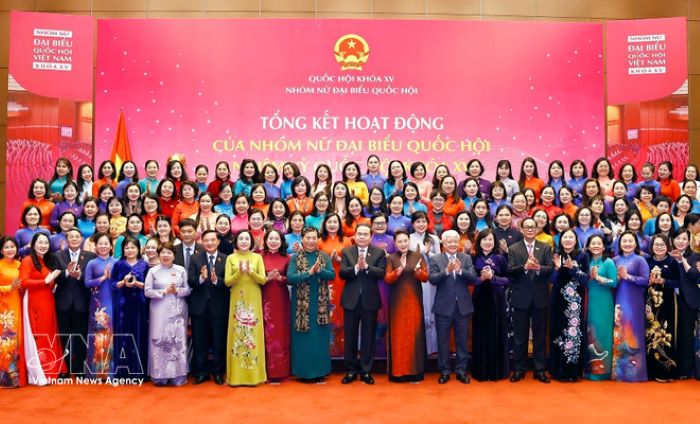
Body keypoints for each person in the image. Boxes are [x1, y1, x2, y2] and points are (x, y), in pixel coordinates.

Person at [339, 223, 387, 385]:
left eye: (365, 234)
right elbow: (342, 273)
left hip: (370, 300)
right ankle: (351, 370)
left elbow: (381, 273)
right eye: (359, 234)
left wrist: (366, 267)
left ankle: (366, 370)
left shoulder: (379, 252)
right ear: (355, 235)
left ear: (370, 236)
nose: (362, 237)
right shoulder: (347, 251)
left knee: (368, 337)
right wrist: (355, 268)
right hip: (350, 300)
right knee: (350, 337)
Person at [508, 217, 554, 383]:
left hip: (540, 297)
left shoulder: (545, 247)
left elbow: (550, 268)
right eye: (526, 227)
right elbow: (510, 270)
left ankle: (539, 370)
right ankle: (519, 369)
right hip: (521, 297)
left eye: (532, 227)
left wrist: (539, 268)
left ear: (537, 229)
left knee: (540, 336)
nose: (529, 229)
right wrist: (524, 267)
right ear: (521, 229)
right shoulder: (514, 248)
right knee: (520, 336)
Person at [429, 229, 477, 384]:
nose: (452, 244)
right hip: (443, 307)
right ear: (443, 243)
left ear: (458, 242)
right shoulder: (436, 259)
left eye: (455, 241)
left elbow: (473, 278)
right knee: (443, 341)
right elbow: (432, 279)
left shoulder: (466, 258)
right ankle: (444, 371)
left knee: (462, 341)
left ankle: (461, 371)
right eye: (449, 241)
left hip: (462, 307)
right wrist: (447, 271)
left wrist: (460, 271)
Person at [288, 227, 336, 382]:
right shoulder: (295, 257)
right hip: (300, 305)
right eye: (308, 238)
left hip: (320, 303)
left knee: (319, 338)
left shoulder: (324, 256)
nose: (311, 241)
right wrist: (308, 273)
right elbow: (290, 278)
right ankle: (303, 372)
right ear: (302, 239)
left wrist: (319, 271)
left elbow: (332, 275)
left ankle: (320, 371)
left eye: (314, 238)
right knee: (303, 338)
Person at [19, 233, 67, 384]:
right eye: (40, 242)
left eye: (46, 243)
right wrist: (45, 281)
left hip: (48, 300)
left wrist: (52, 281)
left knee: (51, 333)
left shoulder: (48, 261)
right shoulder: (27, 260)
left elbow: (50, 284)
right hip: (35, 301)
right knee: (39, 333)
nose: (43, 245)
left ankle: (54, 369)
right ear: (33, 245)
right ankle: (43, 372)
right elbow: (24, 281)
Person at [145, 241, 191, 386]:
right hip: (158, 309)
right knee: (159, 339)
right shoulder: (153, 271)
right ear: (158, 255)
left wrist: (177, 291)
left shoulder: (181, 270)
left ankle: (178, 376)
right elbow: (147, 291)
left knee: (177, 341)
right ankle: (160, 376)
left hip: (178, 310)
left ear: (174, 255)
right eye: (163, 252)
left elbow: (188, 290)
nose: (166, 255)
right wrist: (163, 292)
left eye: (169, 252)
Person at [224, 229, 267, 386]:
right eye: (241, 238)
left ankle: (255, 376)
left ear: (251, 241)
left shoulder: (257, 257)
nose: (244, 241)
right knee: (238, 334)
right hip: (237, 298)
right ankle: (236, 377)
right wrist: (239, 273)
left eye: (246, 239)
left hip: (253, 297)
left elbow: (263, 280)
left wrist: (251, 272)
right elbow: (227, 282)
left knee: (253, 333)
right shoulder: (231, 258)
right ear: (236, 241)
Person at [385, 230, 428, 382]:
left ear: (409, 241)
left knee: (414, 334)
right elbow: (388, 279)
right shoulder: (391, 258)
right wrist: (400, 269)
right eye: (400, 241)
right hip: (397, 302)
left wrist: (417, 271)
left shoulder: (418, 256)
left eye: (405, 241)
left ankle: (415, 372)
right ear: (395, 243)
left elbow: (425, 277)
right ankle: (398, 372)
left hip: (414, 301)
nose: (403, 244)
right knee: (398, 335)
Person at [187, 230, 229, 385]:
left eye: (212, 240)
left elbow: (229, 282)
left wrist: (217, 280)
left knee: (219, 341)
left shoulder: (226, 258)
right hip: (199, 307)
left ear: (218, 241)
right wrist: (201, 278)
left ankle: (218, 372)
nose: (209, 243)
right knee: (200, 342)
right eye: (206, 240)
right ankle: (201, 373)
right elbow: (190, 281)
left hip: (219, 306)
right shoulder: (195, 258)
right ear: (202, 242)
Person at [53, 228, 95, 375]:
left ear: (82, 239)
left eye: (77, 236)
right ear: (66, 239)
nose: (74, 239)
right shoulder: (57, 256)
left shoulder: (90, 256)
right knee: (64, 337)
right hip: (63, 302)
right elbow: (54, 278)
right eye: (71, 236)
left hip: (82, 301)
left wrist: (78, 275)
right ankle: (65, 368)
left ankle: (79, 368)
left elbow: (90, 279)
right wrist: (66, 272)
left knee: (80, 336)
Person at [549, 229, 589, 382]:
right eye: (565, 237)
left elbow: (585, 279)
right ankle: (556, 370)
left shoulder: (582, 255)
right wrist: (557, 268)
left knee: (574, 334)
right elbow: (551, 280)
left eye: (571, 237)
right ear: (560, 240)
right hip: (558, 300)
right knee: (557, 331)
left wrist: (572, 268)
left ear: (576, 240)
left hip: (575, 302)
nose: (567, 240)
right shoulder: (556, 255)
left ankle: (572, 371)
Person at [470, 229, 509, 381]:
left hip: (497, 299)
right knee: (480, 333)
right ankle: (481, 371)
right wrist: (481, 279)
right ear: (479, 242)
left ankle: (496, 371)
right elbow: (469, 279)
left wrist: (493, 278)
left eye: (490, 240)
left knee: (497, 332)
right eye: (484, 239)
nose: (487, 242)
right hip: (479, 299)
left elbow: (508, 280)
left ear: (495, 242)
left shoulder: (500, 258)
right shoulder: (473, 258)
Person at [612, 231, 650, 382]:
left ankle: (636, 373)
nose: (627, 244)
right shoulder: (614, 260)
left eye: (630, 241)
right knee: (620, 331)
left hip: (635, 301)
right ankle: (619, 372)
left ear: (635, 243)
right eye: (624, 241)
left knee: (634, 331)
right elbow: (612, 282)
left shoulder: (640, 259)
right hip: (619, 299)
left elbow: (646, 280)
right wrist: (617, 278)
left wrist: (628, 277)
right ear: (619, 244)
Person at [111, 236, 149, 380]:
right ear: (123, 250)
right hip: (122, 305)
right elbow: (112, 285)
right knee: (122, 337)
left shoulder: (144, 265)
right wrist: (123, 282)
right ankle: (122, 372)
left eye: (133, 247)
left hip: (139, 305)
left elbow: (149, 286)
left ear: (139, 249)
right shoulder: (118, 264)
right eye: (127, 248)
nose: (130, 250)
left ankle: (138, 371)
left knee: (139, 335)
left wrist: (136, 284)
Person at [645, 234, 680, 381]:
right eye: (656, 244)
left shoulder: (672, 262)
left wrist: (663, 281)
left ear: (667, 246)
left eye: (662, 245)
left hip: (667, 303)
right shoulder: (647, 261)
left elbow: (679, 282)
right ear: (651, 246)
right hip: (650, 304)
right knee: (650, 335)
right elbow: (642, 280)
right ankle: (651, 372)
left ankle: (666, 372)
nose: (659, 247)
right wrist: (649, 281)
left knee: (665, 335)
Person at [584, 234, 618, 381]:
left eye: (599, 243)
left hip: (604, 302)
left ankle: (603, 371)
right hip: (589, 300)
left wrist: (599, 278)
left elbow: (614, 282)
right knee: (590, 332)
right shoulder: (586, 261)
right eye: (593, 243)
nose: (596, 246)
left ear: (604, 247)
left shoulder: (608, 262)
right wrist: (590, 278)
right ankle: (589, 369)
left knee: (603, 332)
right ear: (588, 246)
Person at [84, 232, 118, 379]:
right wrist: (103, 278)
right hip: (98, 304)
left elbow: (120, 283)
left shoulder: (117, 262)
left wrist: (114, 280)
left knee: (112, 333)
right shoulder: (92, 263)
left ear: (111, 246)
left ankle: (111, 371)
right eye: (100, 244)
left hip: (114, 301)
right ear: (96, 246)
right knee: (98, 334)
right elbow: (87, 283)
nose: (103, 246)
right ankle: (97, 372)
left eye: (106, 243)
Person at [317, 213, 351, 358]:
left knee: (342, 312)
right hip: (326, 281)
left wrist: (340, 259)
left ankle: (343, 350)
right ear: (325, 224)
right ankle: (328, 350)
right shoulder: (319, 242)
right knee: (328, 312)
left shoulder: (347, 241)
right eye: (329, 222)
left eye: (335, 222)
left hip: (342, 280)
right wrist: (327, 262)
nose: (332, 225)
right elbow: (315, 263)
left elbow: (352, 262)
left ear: (339, 224)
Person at [261, 229, 291, 381]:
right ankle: (264, 369)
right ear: (265, 241)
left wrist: (280, 278)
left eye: (276, 239)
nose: (273, 241)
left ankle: (280, 370)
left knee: (280, 332)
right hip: (263, 296)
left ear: (281, 242)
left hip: (280, 298)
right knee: (264, 331)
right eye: (270, 238)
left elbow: (291, 278)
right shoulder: (259, 256)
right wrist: (265, 278)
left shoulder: (287, 258)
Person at [0, 236, 26, 388]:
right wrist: (8, 288)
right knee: (5, 341)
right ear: (1, 250)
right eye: (6, 247)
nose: (10, 249)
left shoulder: (20, 265)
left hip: (18, 304)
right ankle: (4, 378)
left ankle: (15, 377)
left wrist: (21, 287)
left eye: (12, 246)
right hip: (3, 309)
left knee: (16, 339)